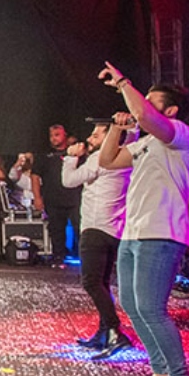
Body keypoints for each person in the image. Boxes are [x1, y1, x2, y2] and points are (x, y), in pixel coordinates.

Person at [97, 64, 189, 376]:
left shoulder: (184, 135)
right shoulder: (145, 142)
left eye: (150, 100)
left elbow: (144, 115)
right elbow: (108, 160)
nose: (138, 106)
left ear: (170, 110)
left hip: (162, 232)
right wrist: (117, 127)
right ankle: (161, 375)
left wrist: (124, 84)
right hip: (134, 231)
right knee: (132, 304)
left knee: (152, 309)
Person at [62, 124, 132, 356]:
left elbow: (69, 181)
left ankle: (114, 330)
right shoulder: (126, 156)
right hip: (114, 229)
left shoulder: (99, 158)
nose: (90, 136)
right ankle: (104, 332)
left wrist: (71, 158)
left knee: (91, 282)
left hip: (94, 227)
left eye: (96, 133)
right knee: (101, 282)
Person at [38, 124, 82, 263]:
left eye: (57, 135)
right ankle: (58, 257)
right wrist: (37, 197)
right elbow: (35, 176)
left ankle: (83, 255)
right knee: (56, 230)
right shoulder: (44, 155)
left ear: (65, 135)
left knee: (79, 228)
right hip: (53, 198)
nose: (53, 138)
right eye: (51, 135)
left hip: (75, 199)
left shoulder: (75, 153)